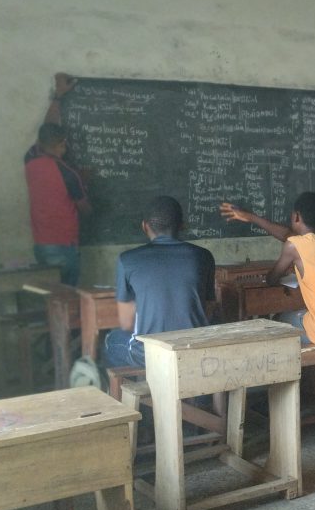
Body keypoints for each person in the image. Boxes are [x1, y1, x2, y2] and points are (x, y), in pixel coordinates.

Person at [220, 193, 315, 345]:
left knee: (278, 322)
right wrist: (252, 217)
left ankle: (300, 367)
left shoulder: (294, 246)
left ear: (296, 216)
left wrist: (271, 275)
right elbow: (288, 235)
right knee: (305, 314)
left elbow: (272, 279)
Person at [104, 196, 216, 368]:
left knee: (111, 339)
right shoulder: (203, 256)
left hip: (149, 354)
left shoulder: (128, 260)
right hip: (194, 350)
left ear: (144, 226)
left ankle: (144, 388)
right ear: (182, 225)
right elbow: (207, 311)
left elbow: (126, 323)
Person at [25, 73, 91, 286]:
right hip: (65, 244)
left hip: (41, 244)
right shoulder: (68, 173)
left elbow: (47, 130)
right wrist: (86, 184)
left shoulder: (31, 160)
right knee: (68, 297)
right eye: (64, 143)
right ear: (61, 144)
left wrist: (58, 97)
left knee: (52, 297)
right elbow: (85, 208)